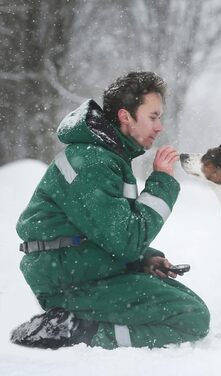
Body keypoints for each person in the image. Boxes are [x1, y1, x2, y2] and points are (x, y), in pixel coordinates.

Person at [11, 72, 210, 349]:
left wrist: (144, 259)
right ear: (125, 116)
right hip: (69, 280)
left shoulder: (108, 156)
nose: (160, 127)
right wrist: (162, 182)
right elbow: (125, 241)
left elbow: (107, 231)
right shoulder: (93, 162)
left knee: (186, 303)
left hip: (80, 267)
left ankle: (79, 321)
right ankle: (77, 330)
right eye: (153, 117)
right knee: (192, 317)